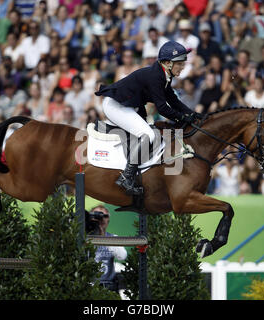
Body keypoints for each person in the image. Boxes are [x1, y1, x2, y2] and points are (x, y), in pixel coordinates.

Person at [95, 40, 202, 195]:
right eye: (179, 63)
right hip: (115, 105)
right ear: (167, 63)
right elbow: (163, 108)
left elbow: (172, 99)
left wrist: (193, 114)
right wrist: (183, 118)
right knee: (149, 135)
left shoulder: (164, 75)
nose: (182, 66)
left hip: (127, 105)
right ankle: (127, 176)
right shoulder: (156, 76)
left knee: (150, 131)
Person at [89, 205, 127, 293]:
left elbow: (122, 256)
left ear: (108, 220)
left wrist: (103, 236)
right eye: (97, 216)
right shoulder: (83, 238)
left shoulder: (113, 238)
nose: (101, 219)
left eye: (105, 216)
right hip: (89, 286)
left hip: (109, 287)